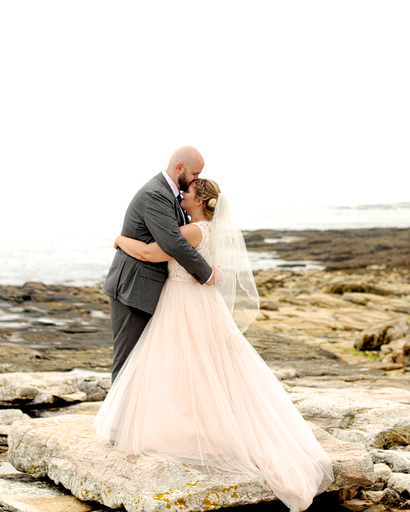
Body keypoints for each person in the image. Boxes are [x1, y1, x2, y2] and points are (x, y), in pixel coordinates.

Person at [94, 179, 334, 512]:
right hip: (200, 300)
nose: (183, 195)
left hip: (182, 300)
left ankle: (187, 428)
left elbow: (150, 253)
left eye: (188, 192)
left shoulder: (193, 232)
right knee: (200, 363)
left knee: (176, 363)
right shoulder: (208, 232)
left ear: (200, 200)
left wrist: (119, 240)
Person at [102, 146, 215, 383]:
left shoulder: (171, 195)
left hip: (150, 290)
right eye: (195, 174)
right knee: (128, 359)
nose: (196, 179)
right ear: (179, 167)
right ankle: (116, 421)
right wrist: (207, 274)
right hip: (132, 289)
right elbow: (173, 243)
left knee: (145, 362)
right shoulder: (156, 194)